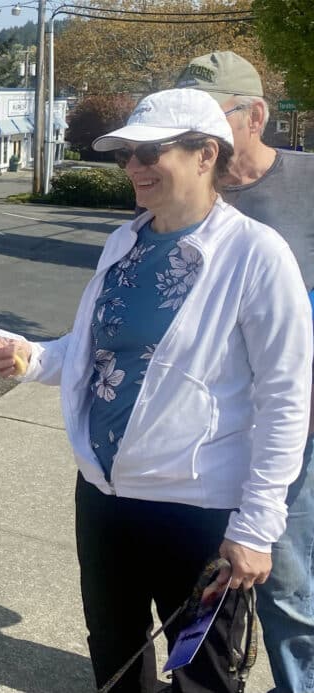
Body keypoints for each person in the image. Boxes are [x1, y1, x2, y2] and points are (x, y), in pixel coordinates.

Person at [0, 88, 312, 693]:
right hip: (105, 497)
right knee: (116, 659)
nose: (134, 167)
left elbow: (287, 398)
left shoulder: (256, 256)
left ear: (205, 154)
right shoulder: (125, 244)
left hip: (199, 510)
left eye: (150, 152)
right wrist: (31, 358)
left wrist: (257, 526)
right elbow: (91, 352)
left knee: (201, 678)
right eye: (125, 155)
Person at [176, 51, 314, 693]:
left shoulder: (308, 187)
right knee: (206, 585)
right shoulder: (182, 198)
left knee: (287, 590)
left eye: (211, 120)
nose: (192, 140)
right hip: (201, 440)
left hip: (289, 432)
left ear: (255, 115)